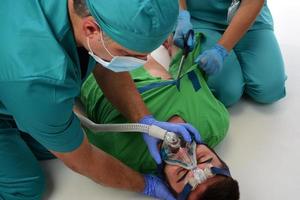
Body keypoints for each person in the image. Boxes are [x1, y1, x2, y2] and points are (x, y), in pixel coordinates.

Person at [0, 0, 200, 199]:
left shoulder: (98, 14)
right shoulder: (42, 82)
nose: (140, 63)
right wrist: (145, 184)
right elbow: (82, 160)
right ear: (90, 28)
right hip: (19, 81)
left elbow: (105, 62)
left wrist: (145, 120)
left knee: (56, 139)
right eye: (128, 55)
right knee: (25, 187)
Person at [79, 34, 239, 199]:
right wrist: (176, 37)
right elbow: (186, 72)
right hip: (136, 49)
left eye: (181, 174)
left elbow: (68, 130)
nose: (182, 152)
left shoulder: (127, 157)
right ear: (219, 158)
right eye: (202, 157)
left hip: (88, 62)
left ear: (167, 186)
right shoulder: (215, 120)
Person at [174, 0, 286, 107]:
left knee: (271, 89)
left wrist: (221, 50)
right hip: (200, 16)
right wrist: (181, 14)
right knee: (226, 92)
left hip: (250, 14)